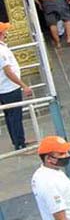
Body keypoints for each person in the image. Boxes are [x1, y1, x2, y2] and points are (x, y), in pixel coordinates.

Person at [0, 22, 33, 150]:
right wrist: (23, 85)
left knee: (10, 115)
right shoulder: (1, 51)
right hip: (9, 88)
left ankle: (18, 140)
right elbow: (8, 71)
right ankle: (20, 144)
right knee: (15, 116)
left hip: (5, 88)